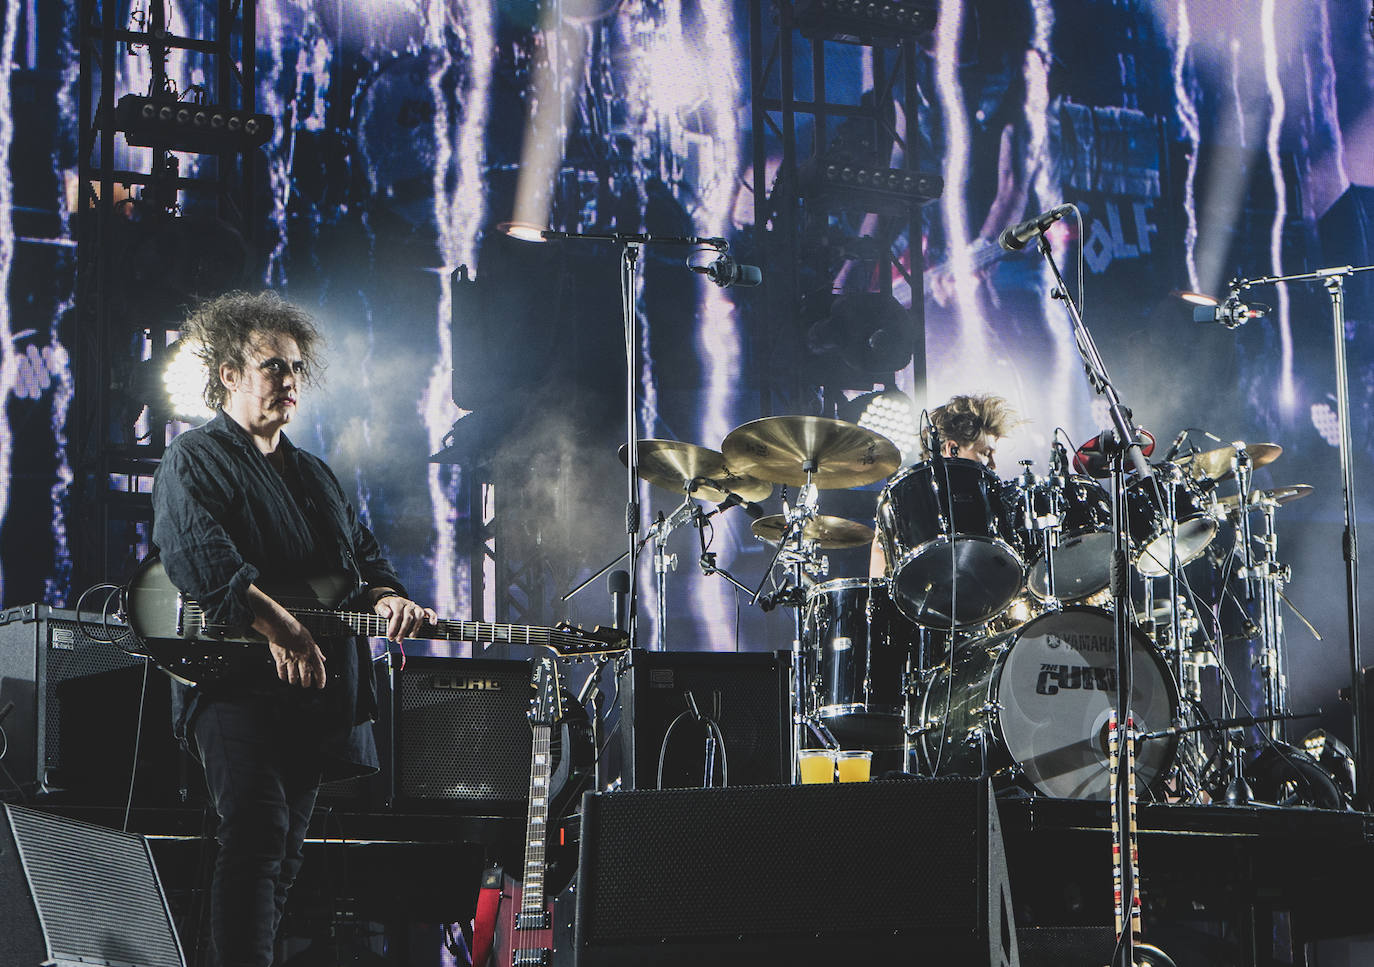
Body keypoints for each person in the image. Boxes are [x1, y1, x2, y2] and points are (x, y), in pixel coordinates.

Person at [151, 290, 438, 967]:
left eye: (297, 368)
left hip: (310, 695)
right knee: (255, 831)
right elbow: (198, 556)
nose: (290, 380)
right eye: (273, 366)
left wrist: (391, 596)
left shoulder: (316, 475)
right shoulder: (193, 458)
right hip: (230, 688)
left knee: (283, 856)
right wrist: (278, 625)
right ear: (227, 372)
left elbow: (362, 559)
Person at [870, 393, 1019, 577]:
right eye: (985, 453)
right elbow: (879, 562)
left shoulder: (993, 501)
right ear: (952, 449)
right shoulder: (903, 500)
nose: (993, 465)